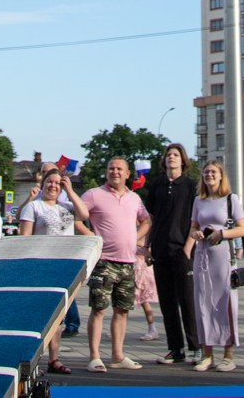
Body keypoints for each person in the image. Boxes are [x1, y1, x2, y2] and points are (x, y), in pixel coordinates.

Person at [80, 157, 152, 372]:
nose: (115, 172)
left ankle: (118, 355)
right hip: (103, 262)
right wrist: (92, 237)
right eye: (111, 168)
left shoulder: (134, 198)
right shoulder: (94, 194)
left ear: (128, 174)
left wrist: (135, 237)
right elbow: (75, 217)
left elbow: (146, 220)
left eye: (120, 169)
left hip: (128, 262)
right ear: (106, 172)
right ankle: (94, 356)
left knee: (122, 310)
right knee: (99, 309)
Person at [19, 166, 88, 375]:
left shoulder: (67, 206)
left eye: (58, 183)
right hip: (41, 266)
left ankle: (54, 359)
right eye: (50, 182)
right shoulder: (34, 207)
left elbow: (84, 214)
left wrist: (71, 191)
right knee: (39, 317)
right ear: (43, 184)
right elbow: (24, 239)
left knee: (58, 318)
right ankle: (31, 361)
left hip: (63, 266)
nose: (53, 186)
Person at [141, 143, 201, 364]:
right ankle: (175, 349)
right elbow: (151, 219)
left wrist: (187, 248)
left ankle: (196, 347)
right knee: (167, 303)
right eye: (168, 155)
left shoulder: (191, 186)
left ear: (183, 160)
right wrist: (147, 248)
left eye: (175, 155)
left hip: (182, 250)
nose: (171, 158)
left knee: (187, 301)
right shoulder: (157, 185)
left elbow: (195, 221)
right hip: (160, 249)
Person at [186, 158, 244, 374]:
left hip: (223, 254)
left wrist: (222, 233)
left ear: (221, 175)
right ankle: (207, 353)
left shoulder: (231, 199)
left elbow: (243, 228)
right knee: (202, 302)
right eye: (205, 172)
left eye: (213, 172)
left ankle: (228, 354)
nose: (209, 175)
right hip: (202, 255)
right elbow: (193, 226)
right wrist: (196, 234)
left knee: (226, 302)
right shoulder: (198, 201)